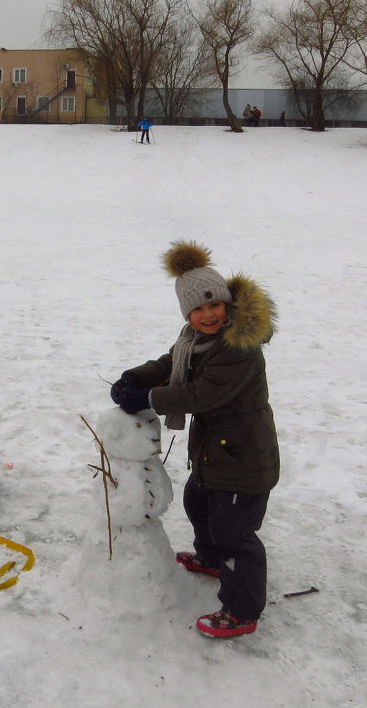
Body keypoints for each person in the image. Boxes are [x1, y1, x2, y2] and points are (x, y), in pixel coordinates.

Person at [110, 240, 279, 639]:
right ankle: (211, 557)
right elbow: (172, 363)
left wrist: (148, 398)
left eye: (214, 305)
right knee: (198, 502)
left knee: (234, 533)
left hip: (243, 458)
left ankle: (241, 609)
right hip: (214, 451)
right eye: (197, 308)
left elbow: (201, 394)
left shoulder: (240, 348)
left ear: (227, 304)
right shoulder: (194, 338)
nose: (207, 315)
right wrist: (138, 376)